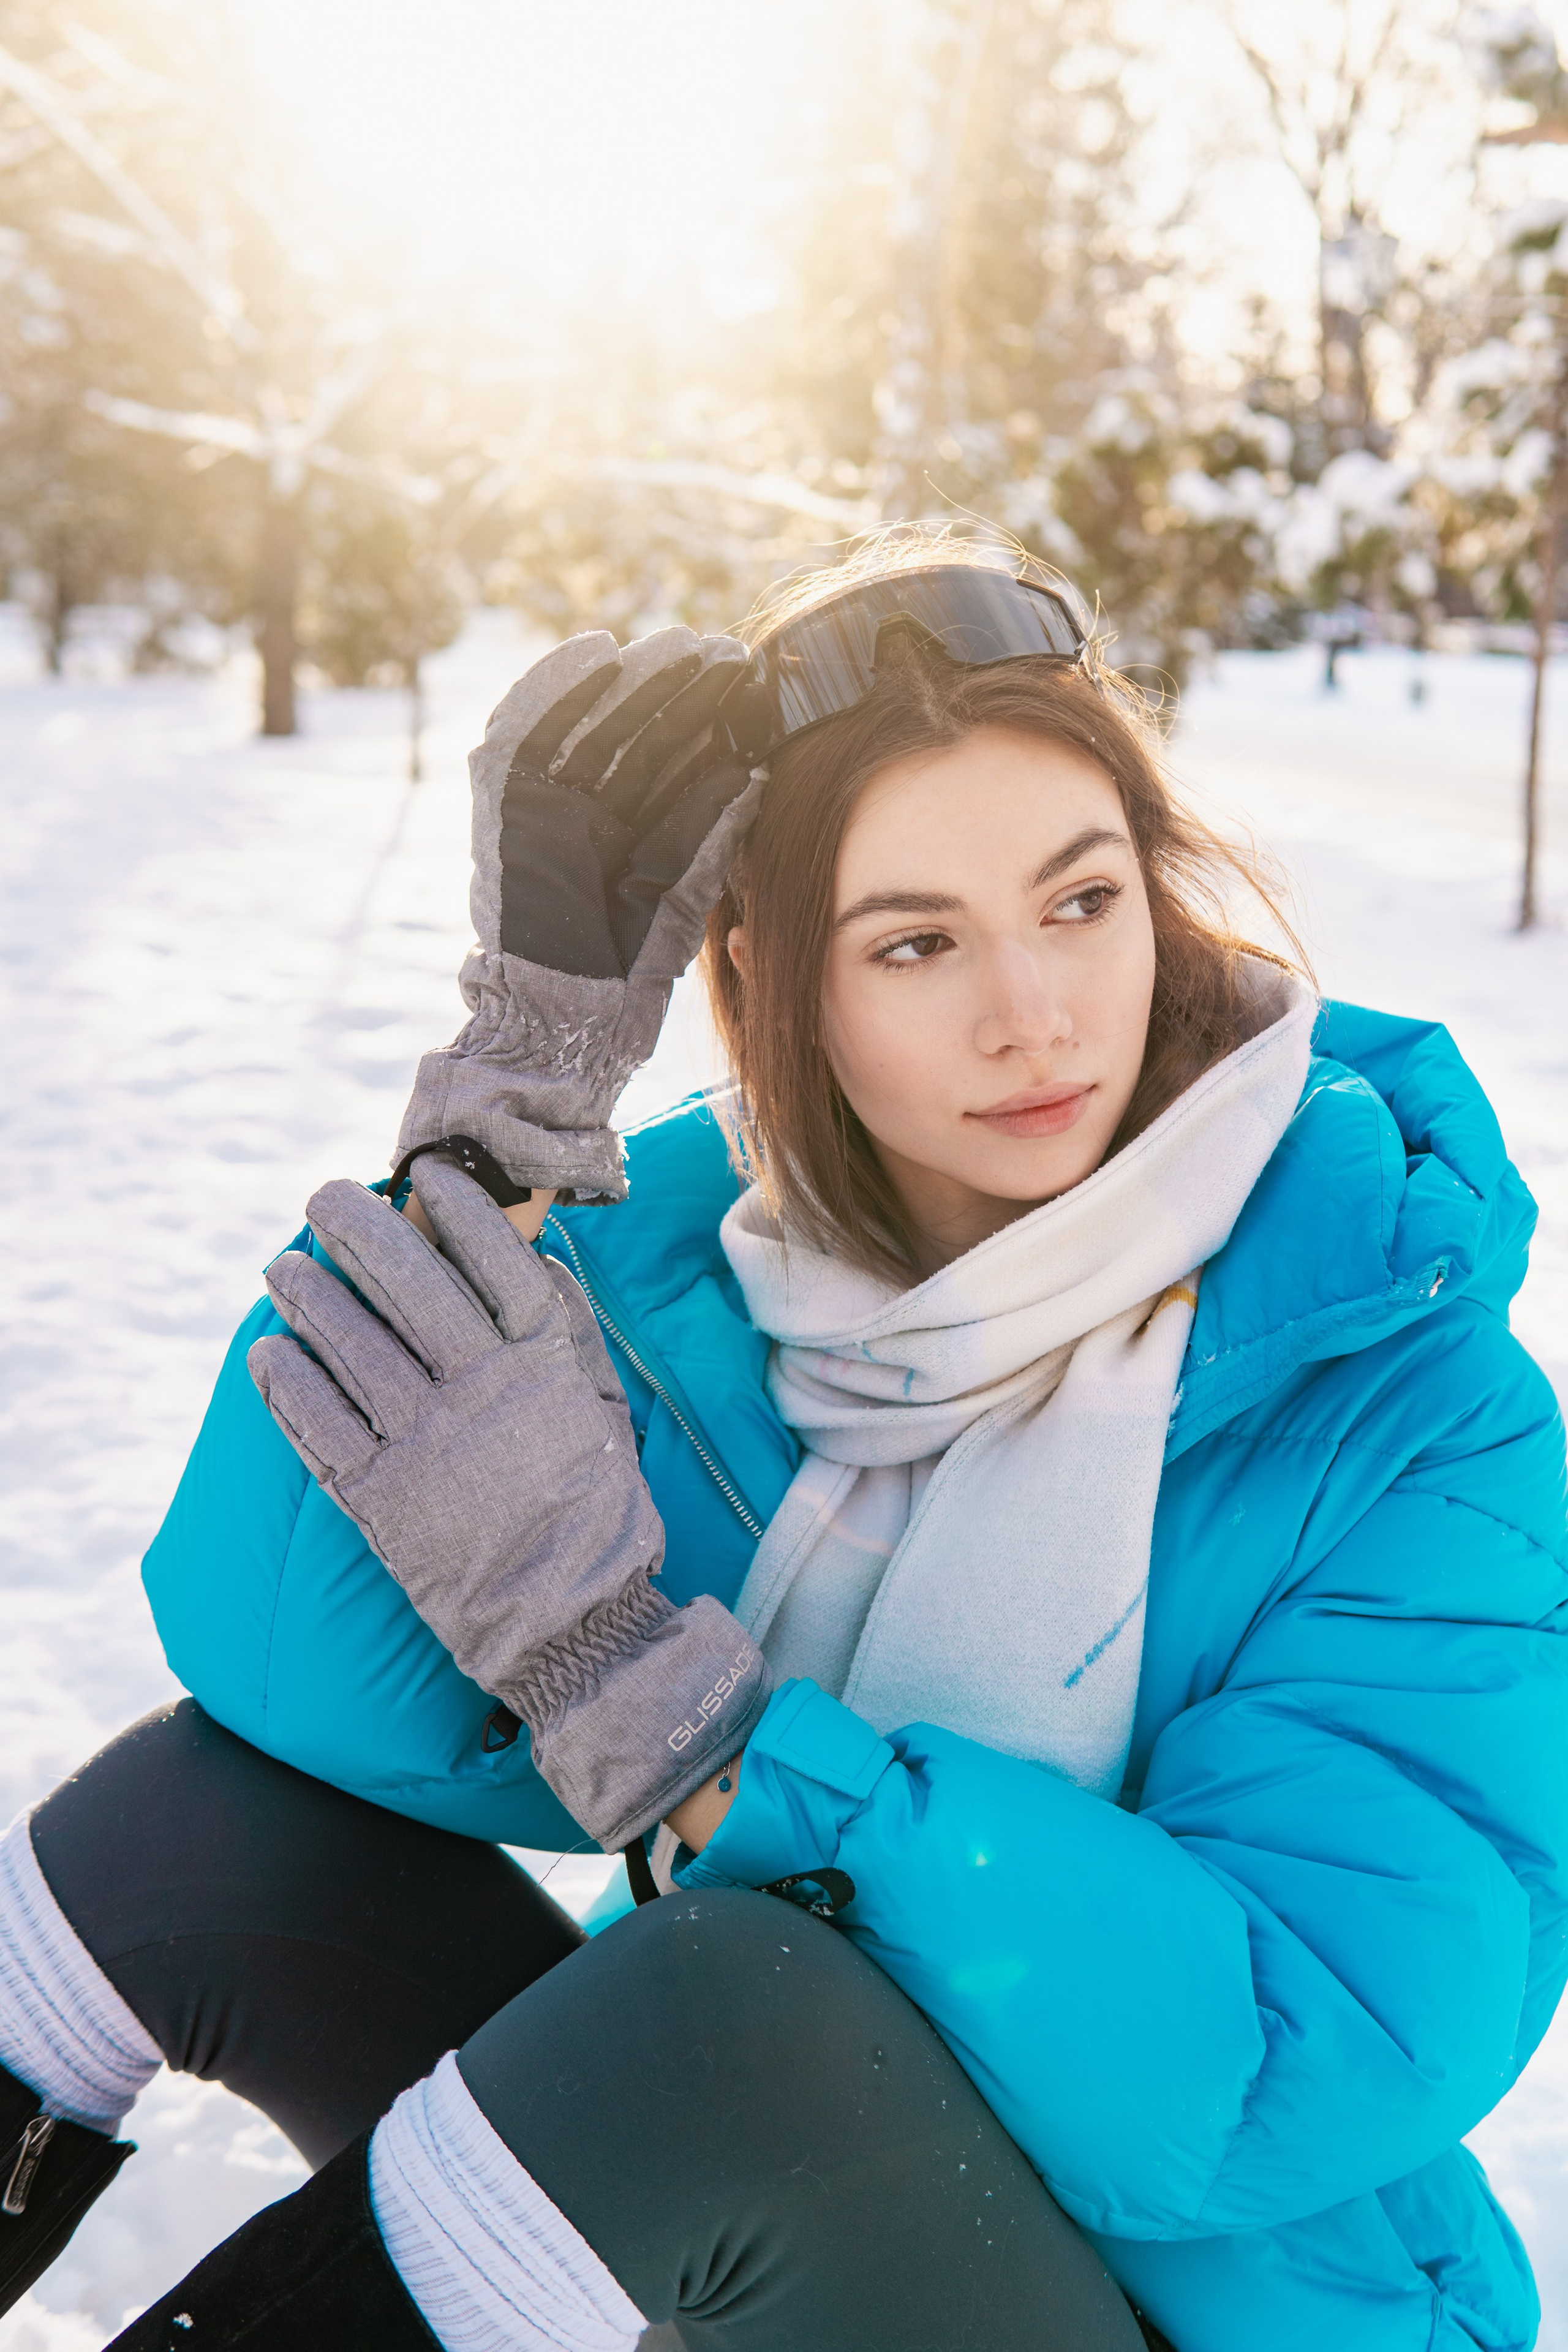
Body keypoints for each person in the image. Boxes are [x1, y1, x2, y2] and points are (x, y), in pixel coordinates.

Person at [1, 533, 1564, 2352]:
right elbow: (287, 1675)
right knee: (201, 1828)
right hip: (716, 2217)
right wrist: (513, 1109)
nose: (1036, 1014)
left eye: (1081, 901)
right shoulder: (719, 1290)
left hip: (1193, 2310)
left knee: (743, 2008)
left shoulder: (1408, 1402)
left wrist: (665, 1715)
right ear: (778, 981)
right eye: (918, 942)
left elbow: (1288, 2056)